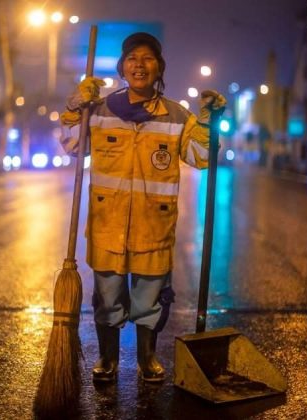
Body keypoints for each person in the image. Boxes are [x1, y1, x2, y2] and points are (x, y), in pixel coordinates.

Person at [59, 32, 226, 383]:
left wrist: (209, 123)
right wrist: (76, 107)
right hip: (107, 228)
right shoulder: (100, 111)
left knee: (150, 302)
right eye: (133, 57)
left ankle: (147, 358)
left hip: (154, 228)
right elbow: (73, 146)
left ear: (158, 68)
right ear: (122, 67)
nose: (139, 64)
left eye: (148, 58)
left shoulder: (177, 116)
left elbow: (201, 156)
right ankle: (108, 359)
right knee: (107, 300)